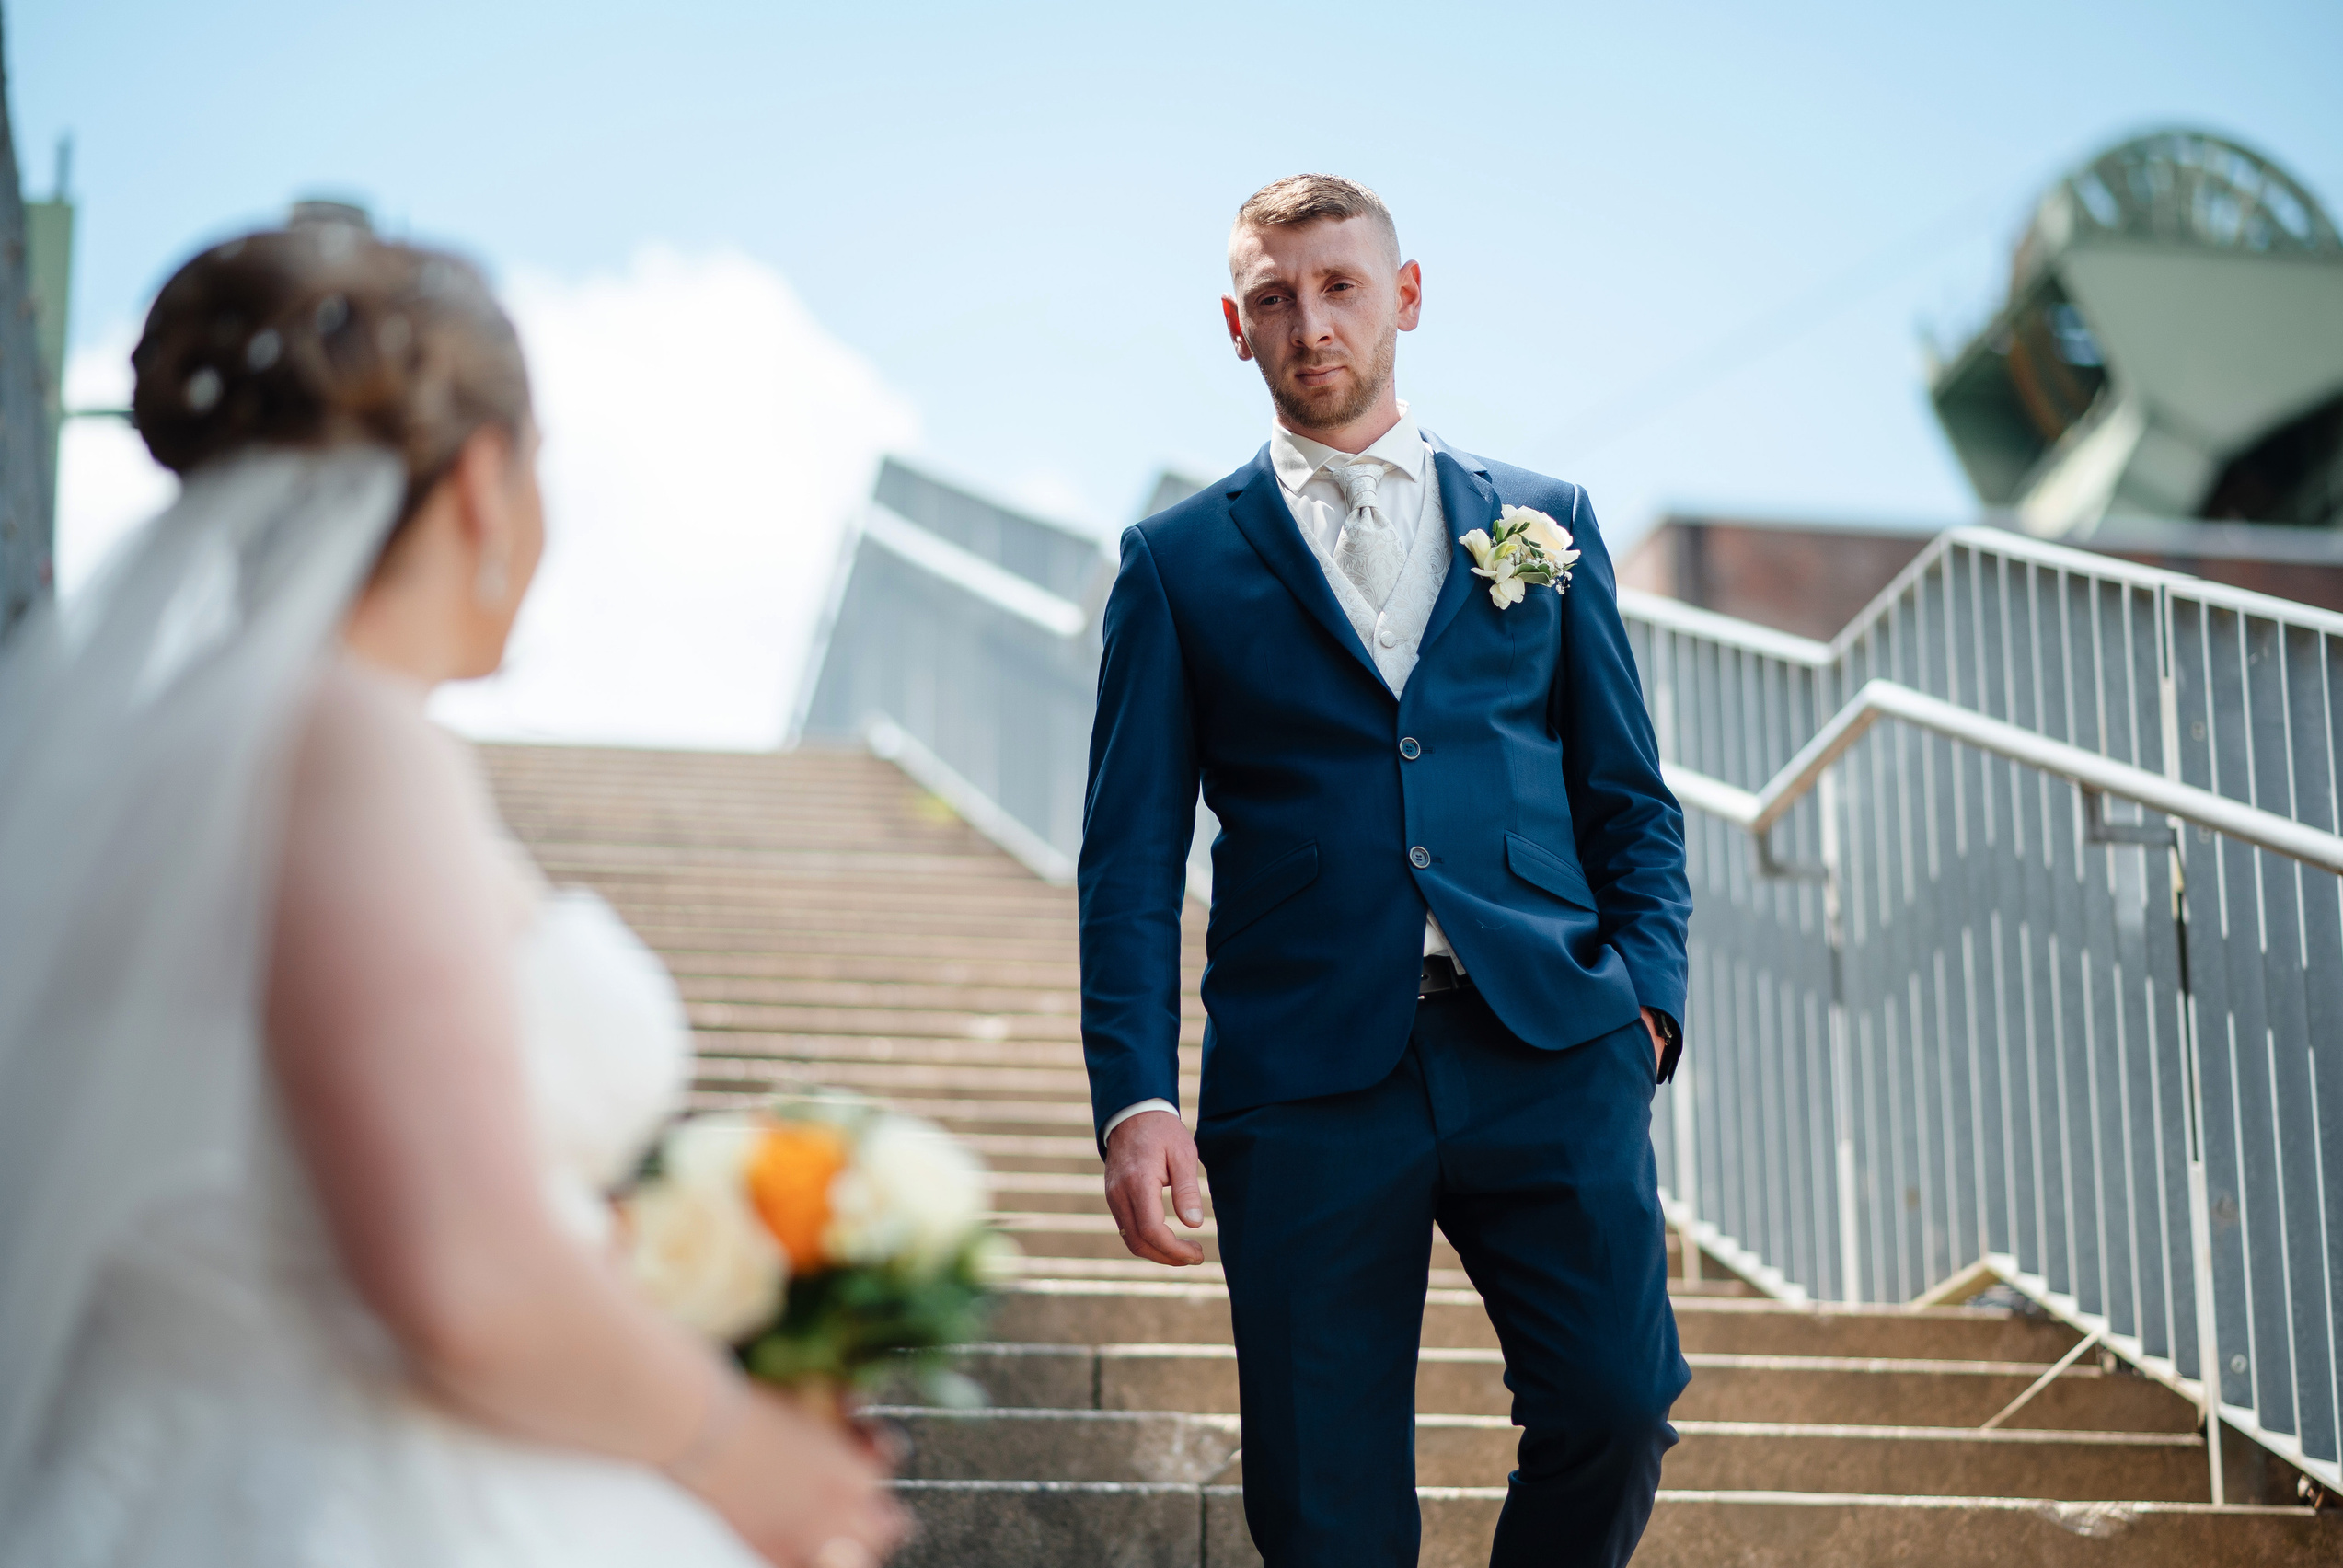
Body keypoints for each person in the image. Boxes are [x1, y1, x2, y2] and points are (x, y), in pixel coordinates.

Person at [0, 219, 904, 1568]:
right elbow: (460, 1277)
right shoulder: (351, 741)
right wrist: (743, 1452)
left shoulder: (188, 759)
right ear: (486, 479)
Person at [1080, 175, 1692, 1567]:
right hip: (1303, 1083)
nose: (1313, 323)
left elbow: (1630, 804)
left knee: (1617, 1403)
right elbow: (1126, 861)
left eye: (1341, 287)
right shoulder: (1175, 566)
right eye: (1276, 299)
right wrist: (1134, 1098)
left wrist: (1644, 1006)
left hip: (1544, 1038)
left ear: (1403, 298)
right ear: (1237, 328)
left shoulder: (1547, 524)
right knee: (1322, 1513)